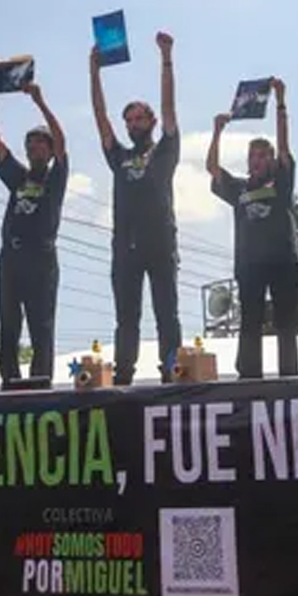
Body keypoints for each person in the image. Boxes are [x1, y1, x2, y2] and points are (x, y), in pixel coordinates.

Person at [90, 31, 182, 384]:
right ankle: (123, 376)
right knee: (126, 317)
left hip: (160, 244)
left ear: (152, 122)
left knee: (166, 314)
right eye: (129, 120)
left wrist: (166, 57)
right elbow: (100, 119)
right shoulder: (121, 157)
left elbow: (171, 107)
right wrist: (94, 73)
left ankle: (171, 371)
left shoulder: (165, 150)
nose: (132, 125)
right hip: (125, 246)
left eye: (139, 119)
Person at [0, 82, 68, 385]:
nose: (35, 146)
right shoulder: (19, 177)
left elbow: (63, 143)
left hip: (42, 258)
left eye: (41, 143)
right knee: (9, 325)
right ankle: (9, 381)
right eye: (31, 142)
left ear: (49, 152)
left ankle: (40, 384)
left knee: (41, 327)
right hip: (11, 257)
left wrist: (40, 101)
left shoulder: (55, 178)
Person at [206, 78, 298, 379]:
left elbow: (284, 146)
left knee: (285, 322)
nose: (256, 161)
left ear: (271, 160)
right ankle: (249, 375)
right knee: (250, 321)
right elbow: (213, 169)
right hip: (249, 264)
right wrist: (217, 132)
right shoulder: (240, 188)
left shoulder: (281, 181)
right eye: (252, 157)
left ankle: (289, 376)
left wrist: (281, 101)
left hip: (283, 261)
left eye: (262, 156)